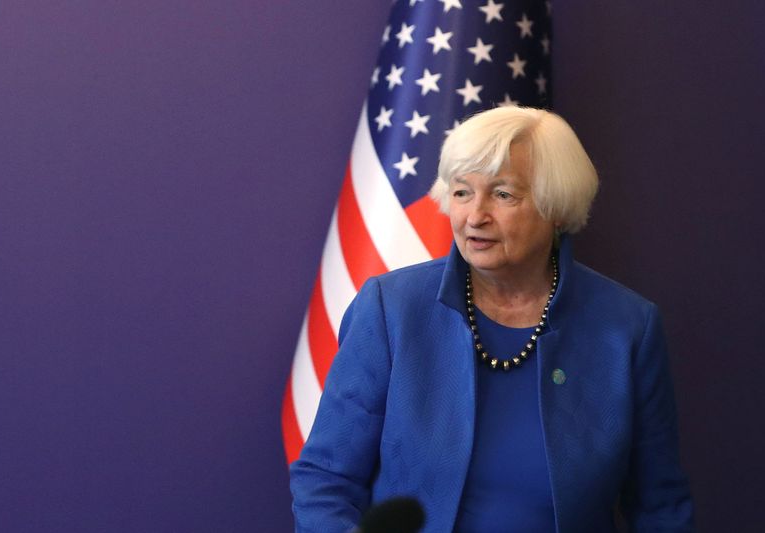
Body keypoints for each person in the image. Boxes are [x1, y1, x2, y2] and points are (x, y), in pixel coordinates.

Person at [290, 106, 694, 532]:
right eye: (462, 193)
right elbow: (326, 478)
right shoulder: (392, 309)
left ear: (555, 206)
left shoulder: (628, 328)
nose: (474, 216)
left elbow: (660, 506)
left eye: (503, 194)